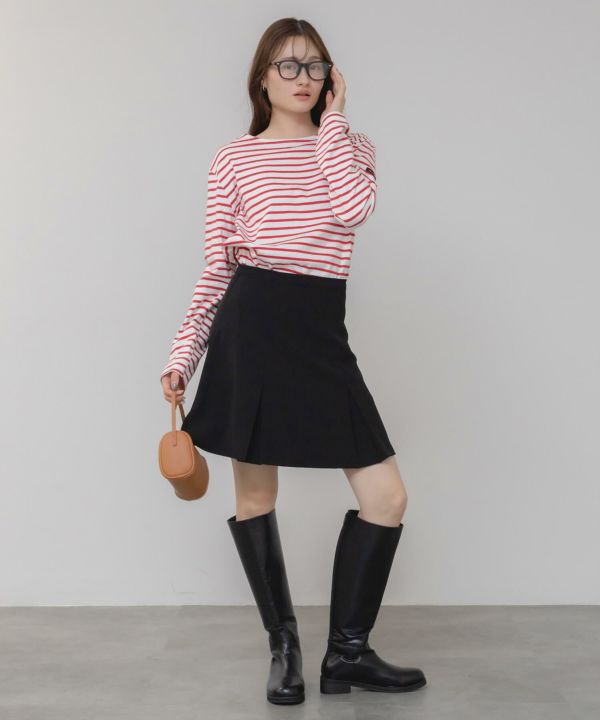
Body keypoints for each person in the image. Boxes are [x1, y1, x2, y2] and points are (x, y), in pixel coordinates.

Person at [160, 17, 426, 705]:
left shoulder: (351, 146)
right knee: (256, 497)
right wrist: (184, 354)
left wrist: (334, 123)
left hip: (319, 329)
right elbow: (217, 269)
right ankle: (284, 651)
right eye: (288, 65)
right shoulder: (234, 158)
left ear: (332, 78)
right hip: (252, 326)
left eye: (315, 66)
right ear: (261, 78)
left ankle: (347, 654)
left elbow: (353, 209)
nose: (303, 78)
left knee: (386, 497)